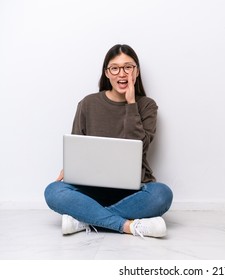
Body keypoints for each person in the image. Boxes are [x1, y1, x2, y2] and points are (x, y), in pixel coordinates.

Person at [44, 44, 173, 238]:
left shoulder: (147, 105)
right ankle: (127, 226)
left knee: (162, 194)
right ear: (107, 73)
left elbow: (141, 147)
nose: (122, 73)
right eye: (115, 68)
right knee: (53, 191)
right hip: (91, 190)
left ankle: (84, 219)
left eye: (128, 67)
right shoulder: (88, 103)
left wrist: (131, 104)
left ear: (136, 71)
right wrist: (70, 167)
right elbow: (77, 148)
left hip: (133, 191)